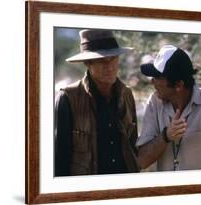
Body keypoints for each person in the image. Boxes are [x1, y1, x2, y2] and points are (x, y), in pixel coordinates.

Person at [136, 45, 201, 171]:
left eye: (157, 77)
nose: (152, 82)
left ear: (178, 85)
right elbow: (141, 161)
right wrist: (165, 136)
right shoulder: (154, 103)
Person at [54, 29, 139, 176]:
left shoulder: (126, 94)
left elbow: (133, 146)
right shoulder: (68, 98)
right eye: (102, 60)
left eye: (113, 58)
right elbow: (60, 160)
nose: (110, 66)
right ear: (88, 63)